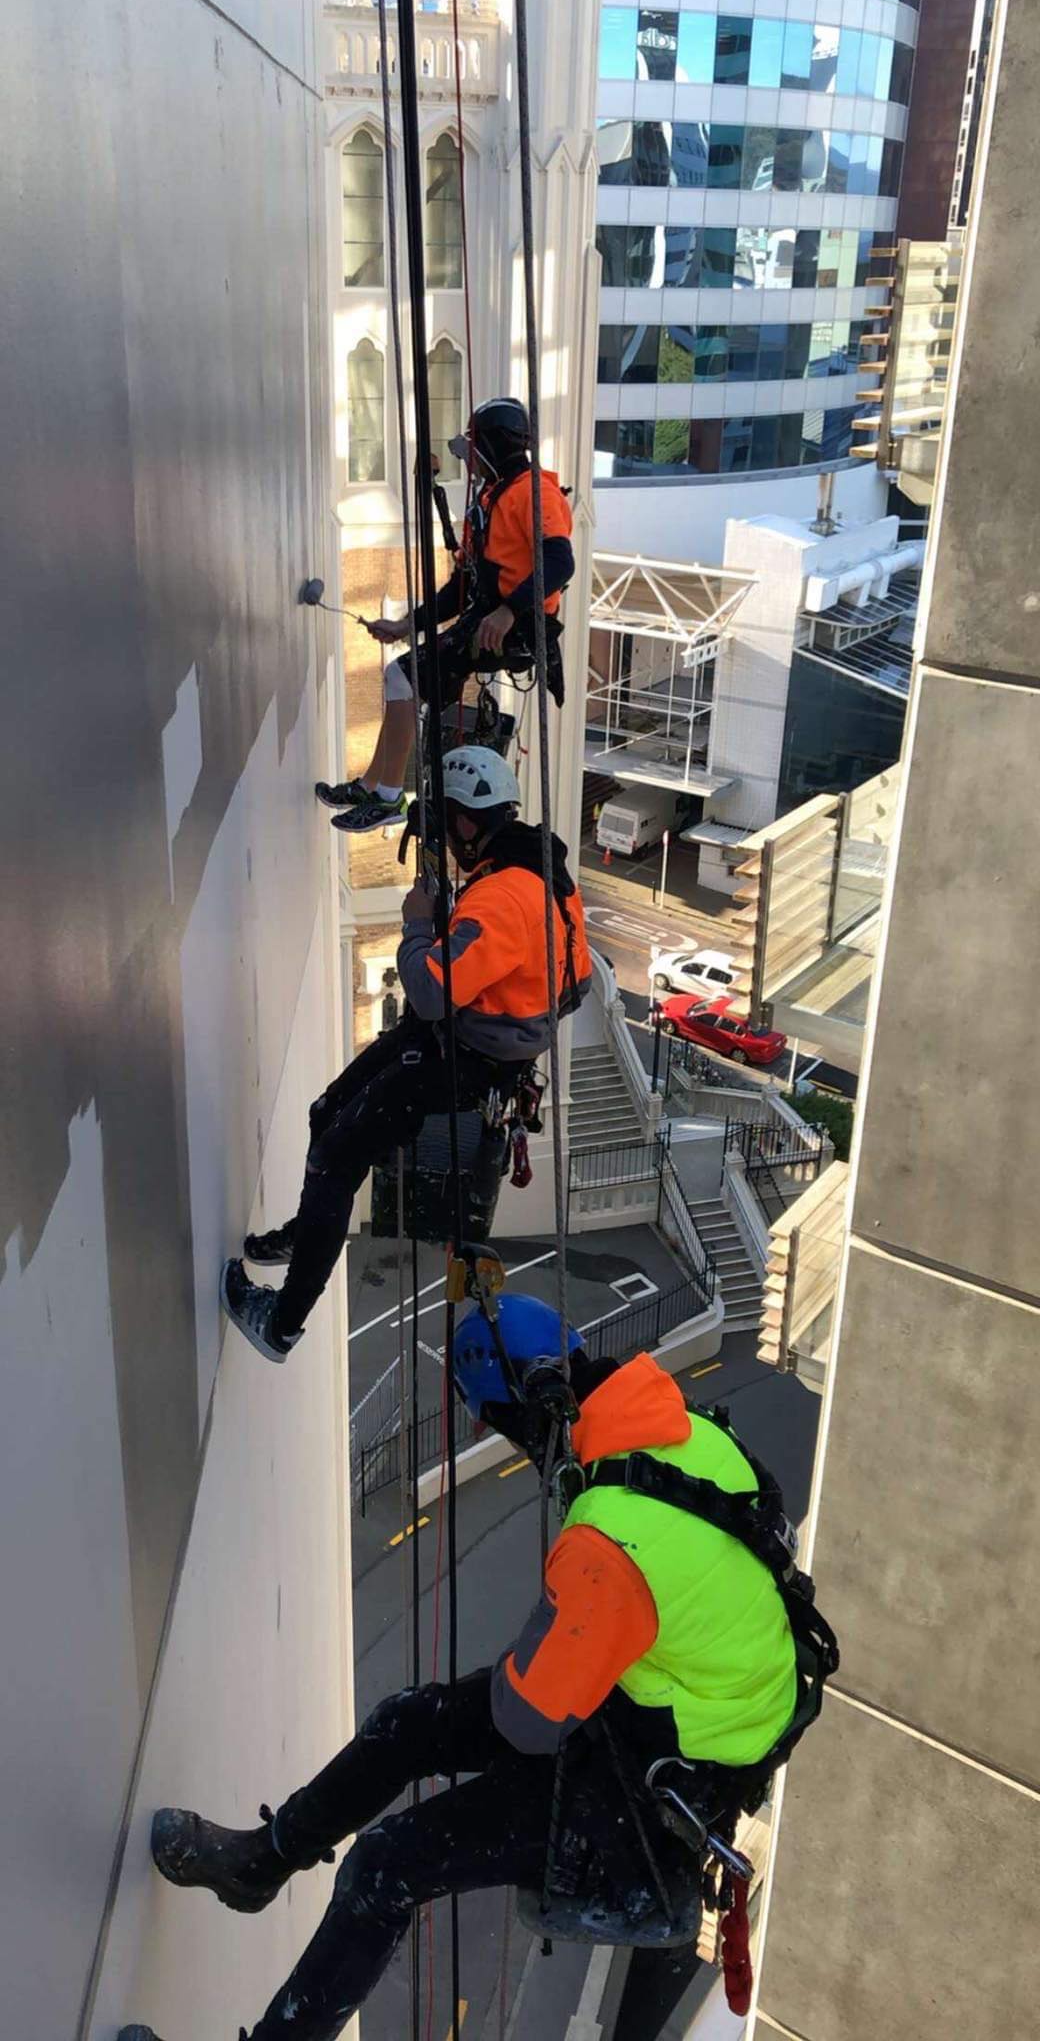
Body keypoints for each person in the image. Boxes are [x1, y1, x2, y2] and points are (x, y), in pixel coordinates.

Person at [117, 1296, 817, 2041]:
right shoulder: (682, 1433)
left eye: (505, 1425)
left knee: (385, 1868)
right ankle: (261, 1863)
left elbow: (528, 1719)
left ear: (528, 1407)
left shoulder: (610, 1539)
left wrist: (562, 1614)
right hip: (684, 1705)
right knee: (405, 1724)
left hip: (657, 1776)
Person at [220, 751, 592, 1364]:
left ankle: (280, 1325)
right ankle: (310, 1232)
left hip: (461, 1054)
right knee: (327, 1114)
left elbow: (428, 989)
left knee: (337, 1154)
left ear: (467, 823)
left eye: (446, 826)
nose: (444, 840)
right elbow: (571, 986)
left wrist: (419, 926)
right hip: (466, 1039)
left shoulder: (502, 898)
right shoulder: (543, 873)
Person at [315, 398, 574, 833]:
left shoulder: (534, 494)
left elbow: (559, 559)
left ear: (494, 444)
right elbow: (461, 590)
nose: (469, 463)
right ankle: (372, 785)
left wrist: (510, 612)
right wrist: (405, 625)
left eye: (474, 450)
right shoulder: (492, 500)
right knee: (402, 681)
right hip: (491, 619)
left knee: (402, 678)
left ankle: (388, 798)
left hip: (515, 626)